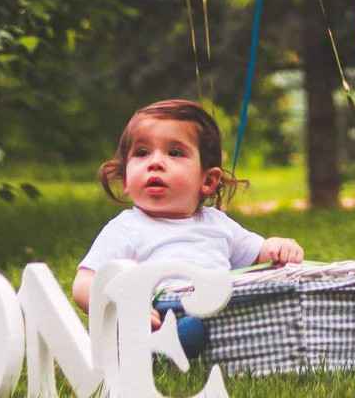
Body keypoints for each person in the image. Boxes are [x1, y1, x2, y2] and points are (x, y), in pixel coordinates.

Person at [72, 99, 303, 328]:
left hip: (217, 318)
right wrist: (123, 308)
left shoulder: (217, 224)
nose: (155, 162)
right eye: (142, 152)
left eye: (174, 152)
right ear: (125, 179)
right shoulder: (126, 230)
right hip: (155, 325)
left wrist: (276, 247)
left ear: (208, 180)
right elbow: (85, 284)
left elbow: (258, 255)